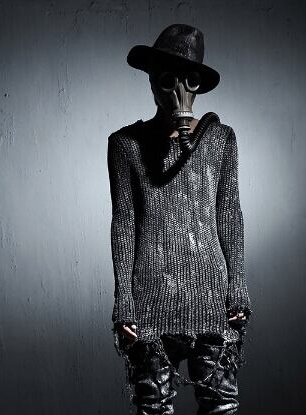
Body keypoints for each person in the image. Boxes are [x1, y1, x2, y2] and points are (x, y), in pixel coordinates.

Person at [107, 23, 252, 415]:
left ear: (198, 85)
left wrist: (237, 287)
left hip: (212, 300)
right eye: (168, 79)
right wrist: (125, 302)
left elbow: (229, 216)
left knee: (220, 407)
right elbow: (124, 224)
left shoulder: (219, 139)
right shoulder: (125, 145)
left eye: (189, 80)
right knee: (153, 408)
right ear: (152, 81)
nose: (178, 93)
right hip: (151, 303)